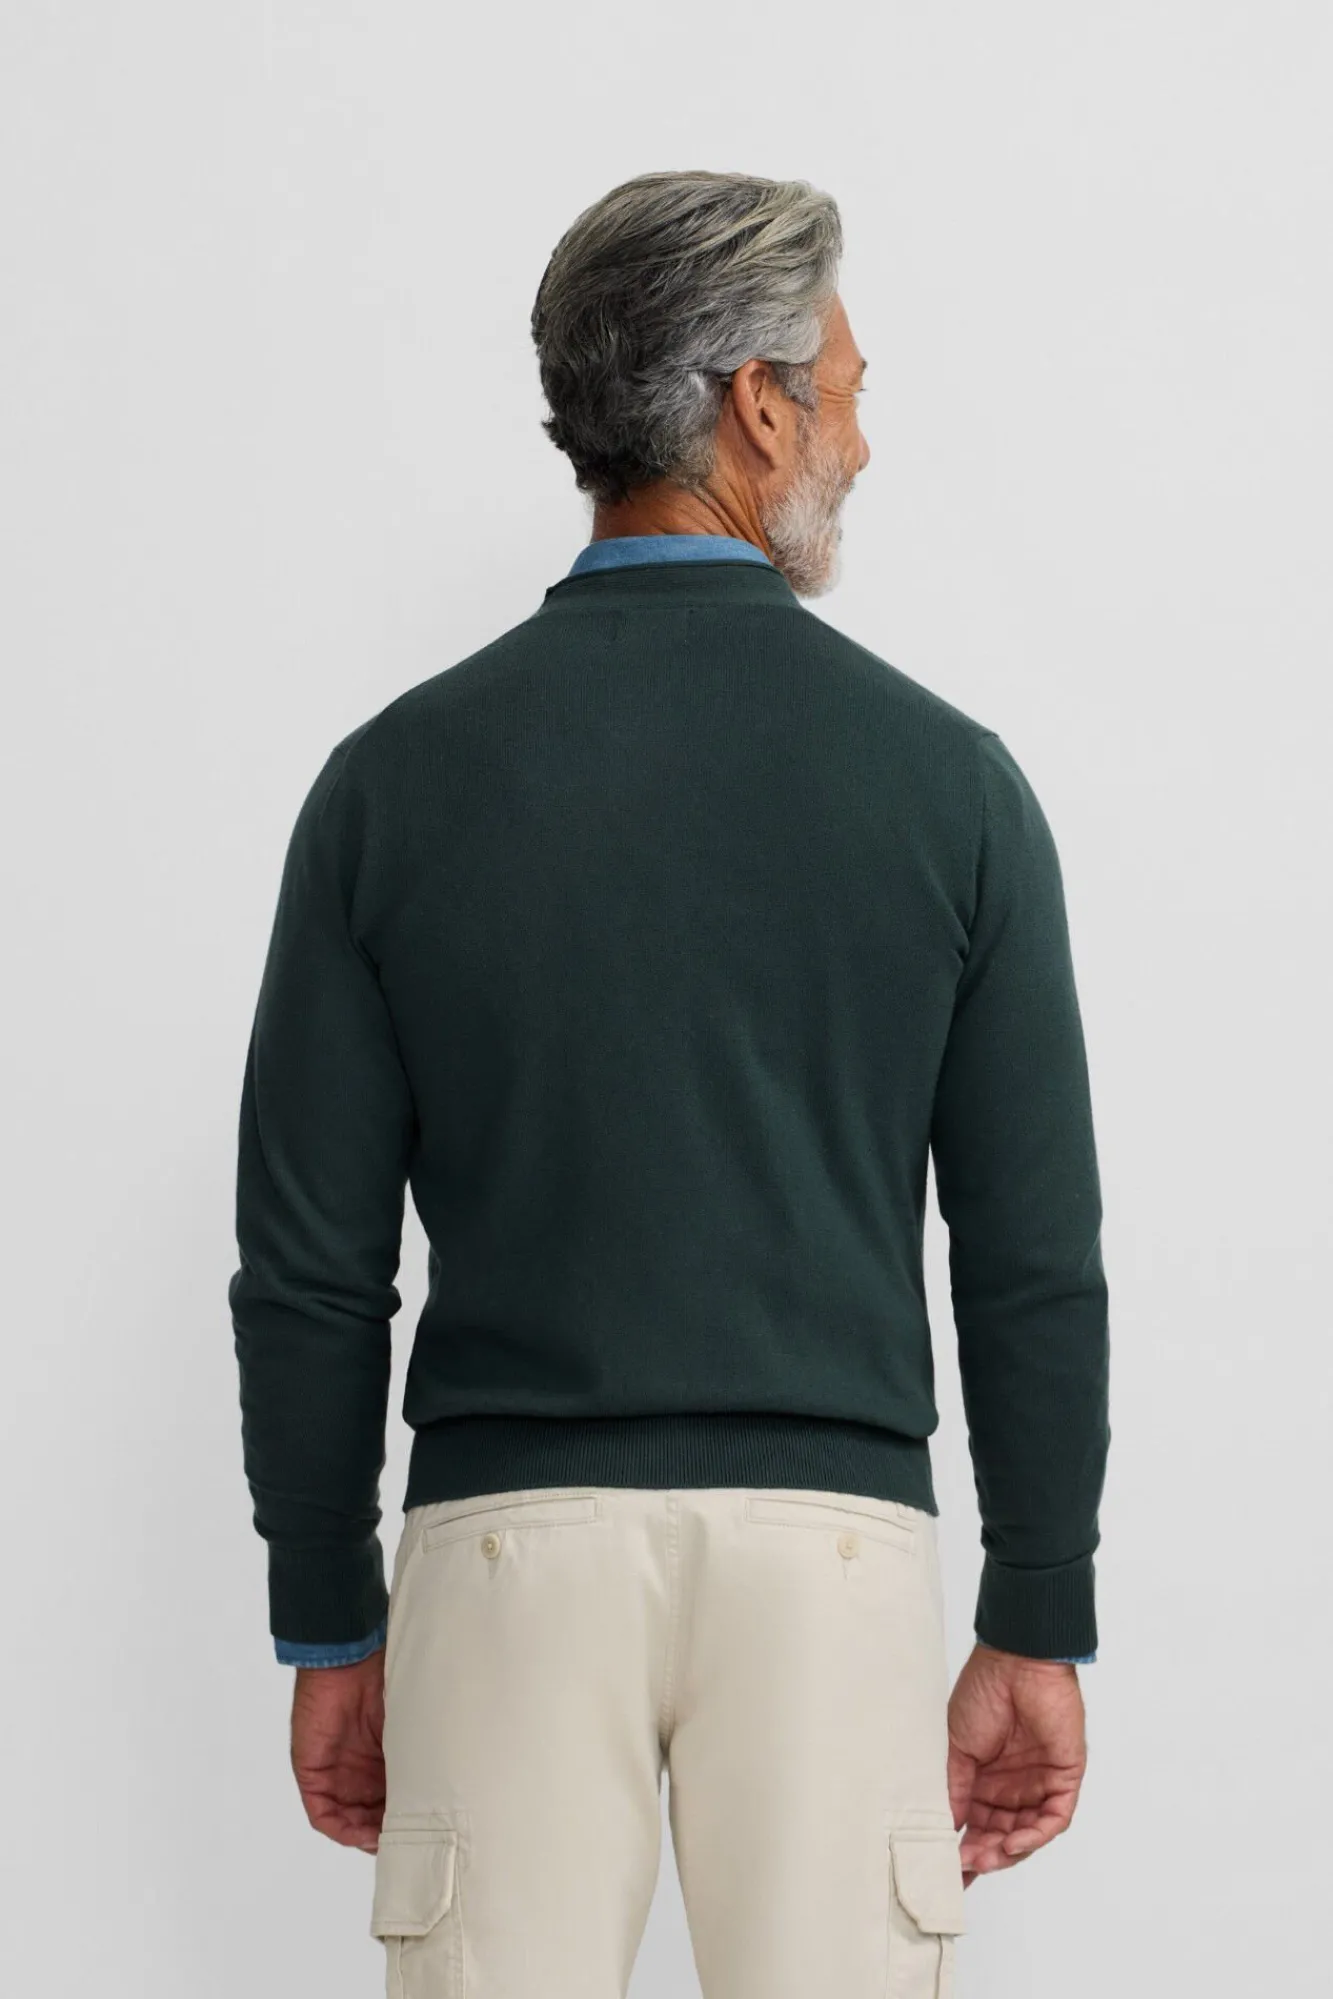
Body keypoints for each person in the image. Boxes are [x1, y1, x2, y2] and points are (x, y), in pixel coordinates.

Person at [229, 168, 1110, 1997]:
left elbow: (310, 1266)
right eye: (844, 389)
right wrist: (1037, 1608)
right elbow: (1031, 1255)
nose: (860, 437)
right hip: (833, 1559)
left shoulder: (390, 787)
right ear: (755, 407)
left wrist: (327, 1613)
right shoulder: (951, 789)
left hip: (503, 1559)